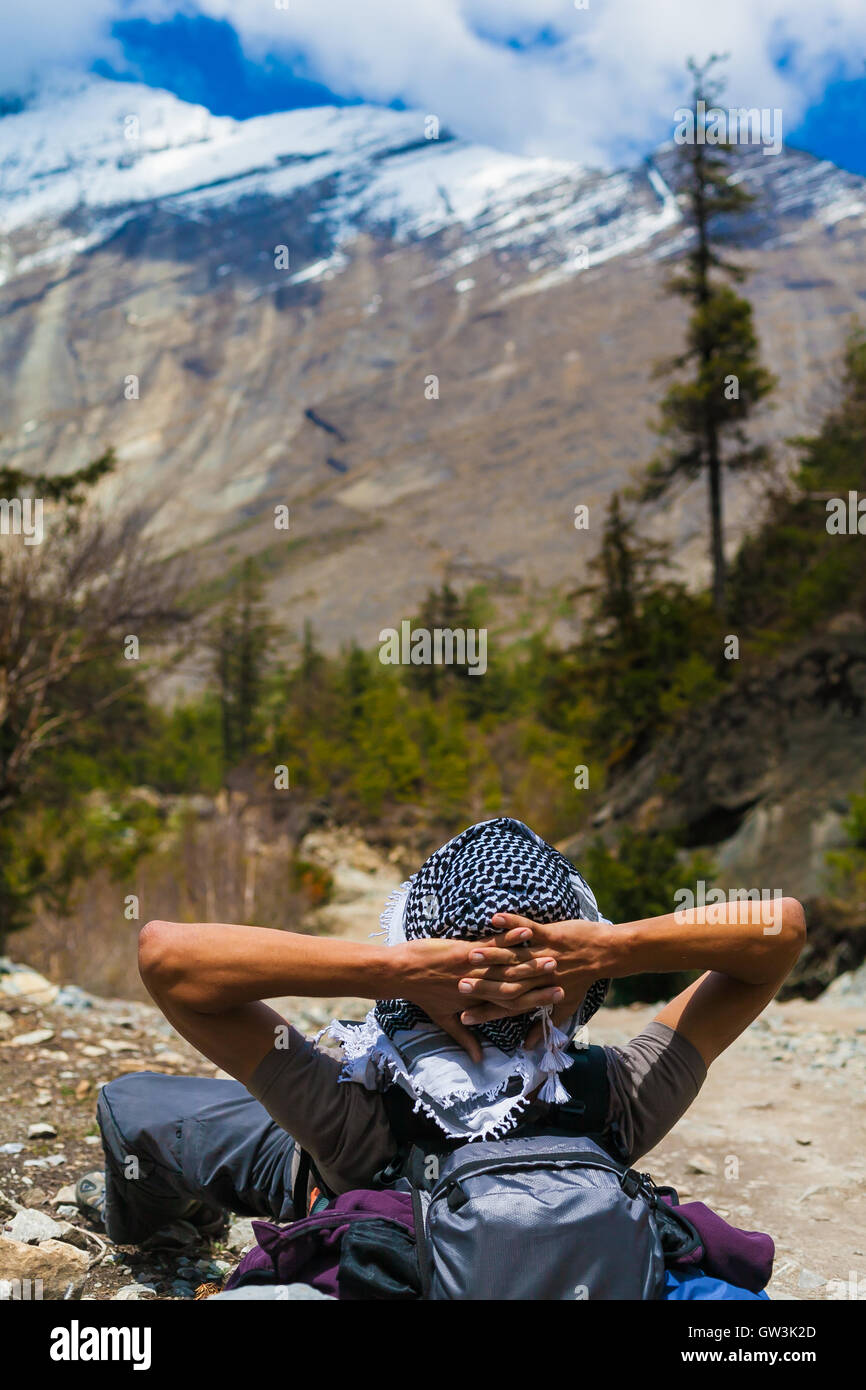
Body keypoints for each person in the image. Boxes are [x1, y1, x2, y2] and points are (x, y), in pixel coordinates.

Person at [78, 817, 805, 1248]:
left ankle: (158, 1227)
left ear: (427, 979)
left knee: (138, 1109)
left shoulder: (349, 1114)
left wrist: (389, 970)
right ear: (577, 986)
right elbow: (781, 931)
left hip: (312, 1164)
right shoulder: (618, 1099)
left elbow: (166, 957)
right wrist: (618, 948)